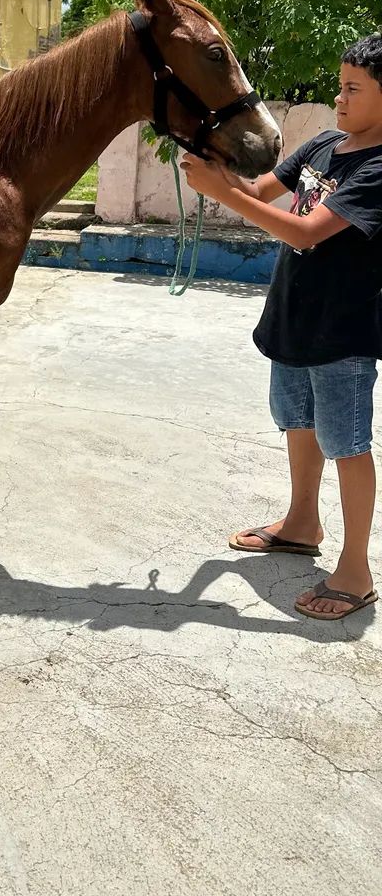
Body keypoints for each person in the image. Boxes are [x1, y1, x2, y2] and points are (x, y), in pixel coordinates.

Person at [181, 34, 382, 621]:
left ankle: (356, 569)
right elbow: (258, 194)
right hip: (293, 316)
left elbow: (303, 230)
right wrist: (215, 168)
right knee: (296, 421)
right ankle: (301, 523)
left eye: (354, 89)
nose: (339, 99)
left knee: (347, 444)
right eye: (339, 85)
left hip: (342, 332)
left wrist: (225, 194)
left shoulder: (376, 169)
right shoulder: (323, 145)